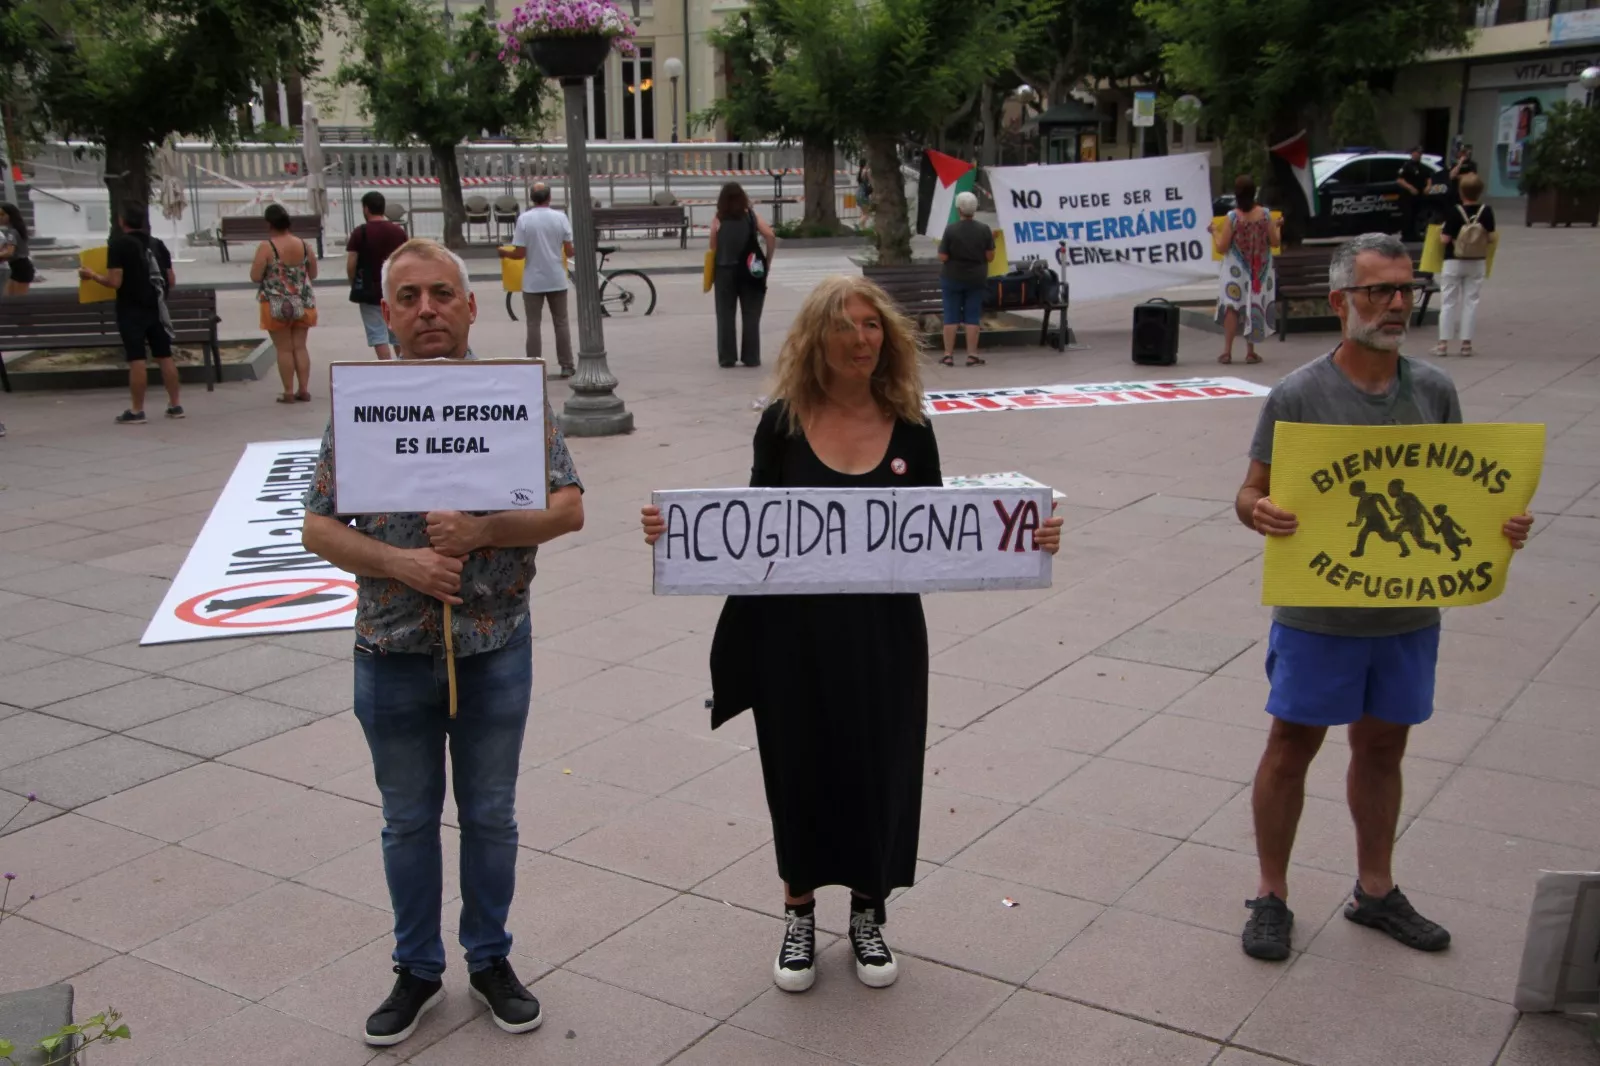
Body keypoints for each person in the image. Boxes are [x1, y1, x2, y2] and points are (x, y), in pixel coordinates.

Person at [639, 276, 1062, 994]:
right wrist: (674, 533)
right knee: (796, 767)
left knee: (881, 768)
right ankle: (798, 911)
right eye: (848, 326)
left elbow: (942, 532)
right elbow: (751, 524)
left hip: (884, 636)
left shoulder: (914, 426)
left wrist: (1028, 537)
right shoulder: (782, 422)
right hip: (791, 638)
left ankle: (870, 912)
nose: (863, 339)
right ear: (818, 339)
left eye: (873, 326)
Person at [301, 237, 584, 1048]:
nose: (428, 310)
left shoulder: (513, 398)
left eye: (442, 294)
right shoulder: (363, 405)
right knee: (407, 820)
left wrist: (484, 529)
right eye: (410, 297)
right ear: (387, 312)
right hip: (389, 652)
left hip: (494, 646)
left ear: (468, 305)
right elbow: (318, 524)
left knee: (491, 816)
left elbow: (568, 508)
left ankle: (489, 959)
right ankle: (417, 969)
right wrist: (404, 564)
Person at [1234, 232, 1533, 963]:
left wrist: (1502, 527)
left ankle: (1375, 890)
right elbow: (1249, 492)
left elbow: (1456, 492)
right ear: (1341, 302)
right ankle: (1271, 895)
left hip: (1406, 610)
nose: (1397, 304)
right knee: (1291, 746)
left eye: (1406, 290)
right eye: (1380, 291)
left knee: (1383, 745)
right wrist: (1259, 510)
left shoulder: (1434, 390)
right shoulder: (1298, 394)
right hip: (1319, 611)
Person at [77, 203, 183, 425]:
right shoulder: (158, 244)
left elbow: (115, 281)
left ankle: (137, 410)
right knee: (164, 355)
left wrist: (92, 275)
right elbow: (170, 279)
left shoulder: (118, 245)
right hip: (157, 307)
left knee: (137, 358)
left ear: (121, 221)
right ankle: (175, 405)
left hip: (131, 309)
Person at [499, 183, 575, 378]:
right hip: (557, 278)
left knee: (533, 324)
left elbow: (519, 253)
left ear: (532, 199)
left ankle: (534, 366)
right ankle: (566, 365)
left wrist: (503, 253)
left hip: (533, 281)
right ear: (549, 198)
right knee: (561, 322)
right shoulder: (561, 218)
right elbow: (569, 251)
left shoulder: (524, 220)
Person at [250, 204, 319, 404]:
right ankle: (304, 389)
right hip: (304, 300)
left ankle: (288, 391)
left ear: (269, 224)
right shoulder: (305, 245)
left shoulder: (266, 247)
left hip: (276, 302)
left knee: (283, 349)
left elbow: (255, 276)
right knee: (300, 346)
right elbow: (313, 274)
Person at [709, 182, 777, 369]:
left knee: (725, 316)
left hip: (724, 272)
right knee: (751, 316)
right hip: (750, 272)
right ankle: (751, 357)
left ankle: (727, 358)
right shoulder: (752, 217)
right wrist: (767, 261)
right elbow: (770, 236)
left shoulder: (719, 218)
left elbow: (713, 246)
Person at [1213, 175, 1279, 365]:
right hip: (1258, 269)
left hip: (1235, 269)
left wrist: (1215, 232)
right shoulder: (1265, 215)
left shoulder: (1232, 217)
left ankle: (1227, 351)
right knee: (1253, 305)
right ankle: (1251, 352)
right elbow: (1274, 242)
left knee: (1233, 307)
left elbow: (1222, 247)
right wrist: (1277, 228)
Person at [1432, 173, 1495, 359]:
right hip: (1477, 261)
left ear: (1461, 191)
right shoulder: (1487, 211)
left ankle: (1443, 344)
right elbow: (1491, 237)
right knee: (1471, 302)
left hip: (1453, 261)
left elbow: (1444, 239)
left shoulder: (1454, 211)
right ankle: (1466, 345)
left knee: (1449, 301)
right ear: (1480, 191)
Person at [936, 190, 995, 368]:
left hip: (952, 277)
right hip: (976, 278)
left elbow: (943, 256)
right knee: (972, 317)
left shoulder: (951, 230)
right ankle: (972, 355)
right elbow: (990, 256)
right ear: (974, 209)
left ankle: (948, 355)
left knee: (951, 316)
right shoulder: (984, 229)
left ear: (959, 209)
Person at [347, 191, 409, 360]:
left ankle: (386, 369)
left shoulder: (360, 233)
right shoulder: (398, 231)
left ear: (366, 209)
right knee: (397, 333)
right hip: (395, 289)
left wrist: (353, 281)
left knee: (377, 334)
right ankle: (404, 367)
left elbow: (352, 262)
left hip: (369, 290)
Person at [1396, 146, 1432, 243]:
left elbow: (1429, 178)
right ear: (1412, 153)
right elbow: (1399, 180)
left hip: (1419, 197)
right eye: (1416, 153)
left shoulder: (1422, 167)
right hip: (1407, 196)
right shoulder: (1407, 166)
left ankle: (1415, 234)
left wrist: (1428, 186)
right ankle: (1406, 236)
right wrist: (1410, 187)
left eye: (1420, 153)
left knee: (1417, 216)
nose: (1418, 155)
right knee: (1407, 215)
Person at [0, 202, 35, 295]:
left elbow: (9, 252)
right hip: (15, 268)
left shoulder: (12, 232)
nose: (0, 217)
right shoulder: (10, 231)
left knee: (18, 302)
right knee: (7, 298)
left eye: (2, 214)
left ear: (10, 215)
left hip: (22, 268)